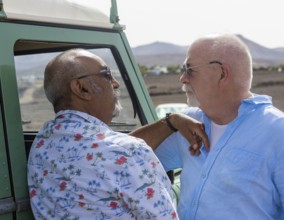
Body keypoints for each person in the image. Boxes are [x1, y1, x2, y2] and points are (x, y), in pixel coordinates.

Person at [27, 48, 209, 220]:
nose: (115, 83)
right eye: (106, 74)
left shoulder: (42, 144)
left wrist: (171, 121)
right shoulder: (125, 151)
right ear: (81, 88)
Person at [153, 34, 284, 220]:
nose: (183, 78)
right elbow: (127, 154)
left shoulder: (279, 130)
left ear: (222, 74)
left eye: (189, 70)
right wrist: (171, 121)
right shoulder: (188, 123)